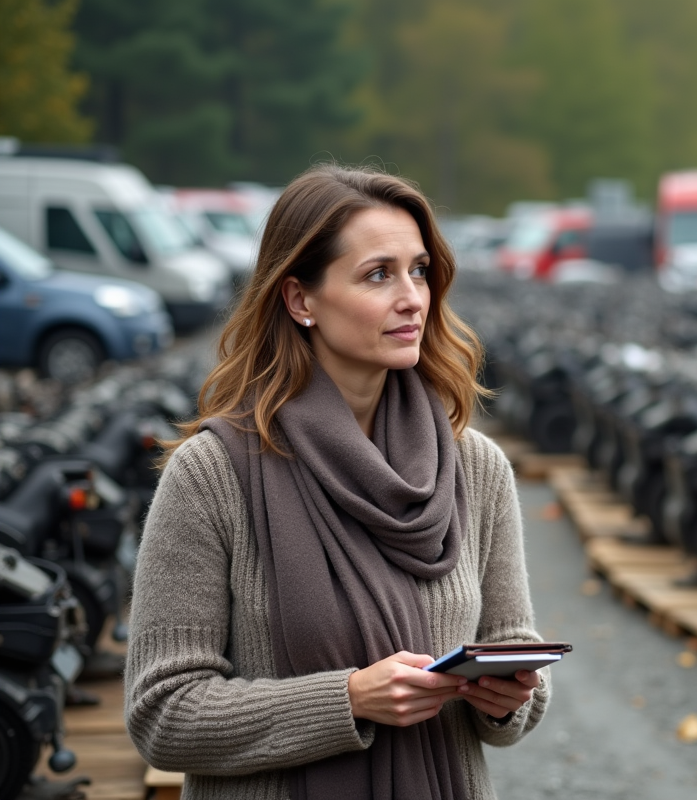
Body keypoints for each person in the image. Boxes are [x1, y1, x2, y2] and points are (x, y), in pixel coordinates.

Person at [125, 165, 551, 800]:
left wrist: (507, 697)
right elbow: (163, 713)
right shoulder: (213, 475)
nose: (412, 297)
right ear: (300, 300)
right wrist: (348, 700)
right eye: (378, 274)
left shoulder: (475, 468)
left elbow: (513, 656)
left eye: (419, 270)